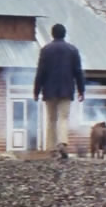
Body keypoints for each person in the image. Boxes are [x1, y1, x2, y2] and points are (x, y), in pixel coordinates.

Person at [33, 23, 85, 159]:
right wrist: (81, 90)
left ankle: (51, 149)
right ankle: (62, 143)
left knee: (51, 119)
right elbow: (78, 72)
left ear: (52, 34)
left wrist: (36, 91)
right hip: (66, 90)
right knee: (63, 118)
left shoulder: (45, 50)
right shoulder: (73, 50)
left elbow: (41, 72)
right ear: (64, 34)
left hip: (49, 90)